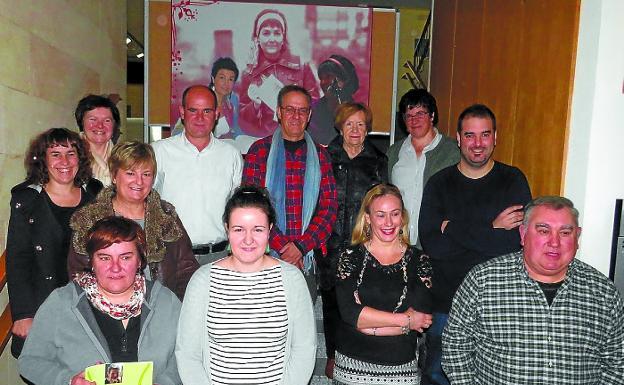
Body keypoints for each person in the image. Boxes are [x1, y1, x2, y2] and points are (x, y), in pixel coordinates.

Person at [442, 196, 624, 384]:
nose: (554, 242)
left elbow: (617, 362)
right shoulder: (483, 281)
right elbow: (455, 346)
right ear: (523, 234)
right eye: (544, 231)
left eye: (565, 233)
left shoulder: (603, 292)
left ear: (577, 237)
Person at [419, 104, 532, 385]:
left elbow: (515, 244)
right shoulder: (439, 184)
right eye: (470, 135)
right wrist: (492, 228)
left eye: (485, 135)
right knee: (437, 376)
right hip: (446, 304)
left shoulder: (512, 180)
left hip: (499, 305)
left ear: (496, 137)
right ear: (458, 138)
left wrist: (453, 228)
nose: (478, 144)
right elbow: (433, 245)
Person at [176, 186, 316, 385]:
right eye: (239, 229)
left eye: (257, 229)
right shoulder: (203, 281)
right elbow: (188, 354)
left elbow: (304, 348)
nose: (248, 240)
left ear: (270, 229)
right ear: (227, 229)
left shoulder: (292, 279)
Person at [19, 216, 182, 385]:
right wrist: (68, 381)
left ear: (140, 261)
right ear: (92, 262)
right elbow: (30, 361)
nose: (115, 267)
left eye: (125, 257)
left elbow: (185, 355)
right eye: (104, 258)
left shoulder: (165, 302)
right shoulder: (62, 303)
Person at [6, 128, 103, 359]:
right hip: (43, 305)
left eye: (71, 153)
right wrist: (23, 313)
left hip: (87, 307)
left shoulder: (95, 197)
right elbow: (18, 259)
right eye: (56, 154)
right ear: (42, 158)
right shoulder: (27, 200)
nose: (64, 161)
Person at [68, 141, 199, 299]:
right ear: (114, 176)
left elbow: (187, 269)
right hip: (105, 313)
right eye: (130, 173)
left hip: (160, 312)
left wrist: (173, 307)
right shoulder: (90, 219)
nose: (139, 181)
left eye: (146, 174)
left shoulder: (167, 216)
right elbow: (79, 274)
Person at [243, 84, 337, 298]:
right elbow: (251, 208)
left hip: (306, 260)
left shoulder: (322, 156)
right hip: (263, 257)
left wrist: (301, 247)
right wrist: (284, 247)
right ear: (279, 112)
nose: (296, 115)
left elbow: (329, 207)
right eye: (290, 109)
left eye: (302, 110)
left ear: (309, 114)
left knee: (301, 328)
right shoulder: (259, 152)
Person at [334, 184, 433, 385]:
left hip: (401, 369)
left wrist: (367, 324)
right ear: (368, 218)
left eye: (394, 214)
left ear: (402, 217)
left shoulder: (419, 260)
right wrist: (406, 321)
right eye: (380, 215)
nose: (388, 222)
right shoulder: (350, 257)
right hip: (351, 366)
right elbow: (350, 313)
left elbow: (421, 318)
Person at [321, 102, 388, 378]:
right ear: (340, 126)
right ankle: (333, 356)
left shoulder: (378, 160)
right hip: (329, 243)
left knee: (361, 302)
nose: (355, 130)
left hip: (364, 245)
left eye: (361, 124)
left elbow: (384, 203)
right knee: (332, 304)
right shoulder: (325, 156)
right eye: (350, 124)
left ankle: (358, 357)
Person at [153, 85, 243, 265]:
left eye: (207, 111)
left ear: (216, 113)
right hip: (172, 257)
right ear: (182, 112)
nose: (200, 118)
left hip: (219, 257)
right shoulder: (158, 152)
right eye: (193, 110)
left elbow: (237, 209)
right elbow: (145, 203)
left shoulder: (231, 155)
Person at [387, 89, 460, 247]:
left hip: (439, 243)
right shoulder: (393, 153)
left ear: (432, 116)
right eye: (409, 115)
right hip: (399, 243)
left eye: (420, 114)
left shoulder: (454, 152)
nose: (414, 120)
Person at [239, 9, 320, 138]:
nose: (272, 39)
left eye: (277, 33)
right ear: (258, 38)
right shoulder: (248, 73)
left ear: (283, 37)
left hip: (297, 138)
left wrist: (296, 108)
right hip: (262, 140)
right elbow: (243, 120)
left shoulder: (302, 67)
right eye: (266, 33)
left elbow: (316, 107)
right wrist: (255, 105)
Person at [171, 57, 241, 140]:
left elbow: (234, 129)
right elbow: (178, 132)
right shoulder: (202, 98)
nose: (226, 83)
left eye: (231, 79)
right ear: (213, 79)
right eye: (222, 78)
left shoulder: (232, 102)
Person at [308, 54, 360, 145]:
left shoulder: (356, 112)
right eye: (321, 78)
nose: (323, 82)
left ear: (344, 80)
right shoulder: (313, 109)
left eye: (328, 77)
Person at [74, 94, 122, 186]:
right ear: (81, 122)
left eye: (107, 120)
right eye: (93, 119)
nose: (100, 126)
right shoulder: (70, 156)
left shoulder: (124, 158)